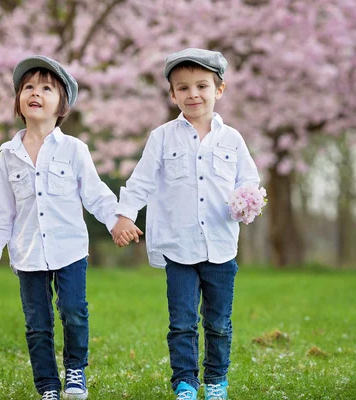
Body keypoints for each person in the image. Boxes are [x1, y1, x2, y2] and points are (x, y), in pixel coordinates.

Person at [0, 55, 139, 400]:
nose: (35, 93)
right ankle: (48, 385)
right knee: (37, 325)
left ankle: (75, 371)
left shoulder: (73, 149)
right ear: (19, 101)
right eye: (28, 88)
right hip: (28, 253)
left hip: (69, 249)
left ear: (61, 104)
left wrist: (117, 220)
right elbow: (0, 208)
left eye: (46, 88)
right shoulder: (7, 155)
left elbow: (95, 194)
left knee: (73, 312)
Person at [112, 48, 261, 400]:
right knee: (181, 322)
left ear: (218, 90)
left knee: (218, 323)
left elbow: (249, 180)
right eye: (183, 88)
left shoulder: (232, 140)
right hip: (178, 248)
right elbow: (141, 182)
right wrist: (124, 216)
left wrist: (248, 201)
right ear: (172, 94)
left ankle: (216, 381)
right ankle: (185, 382)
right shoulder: (162, 137)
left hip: (220, 248)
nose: (193, 94)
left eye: (202, 86)